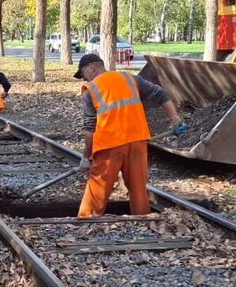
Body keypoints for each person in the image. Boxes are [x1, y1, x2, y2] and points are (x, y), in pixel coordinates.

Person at [74, 53, 186, 217]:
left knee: (97, 189)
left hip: (109, 146)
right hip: (137, 142)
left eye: (83, 75)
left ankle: (85, 222)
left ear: (91, 68)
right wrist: (175, 120)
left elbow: (90, 129)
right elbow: (161, 94)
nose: (85, 80)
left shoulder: (90, 90)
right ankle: (141, 222)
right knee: (138, 189)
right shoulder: (130, 78)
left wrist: (86, 157)